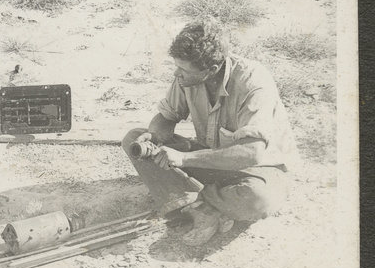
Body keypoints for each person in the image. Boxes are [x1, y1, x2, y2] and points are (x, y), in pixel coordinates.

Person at [122, 20, 297, 246]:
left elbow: (251, 153)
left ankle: (189, 200)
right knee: (133, 139)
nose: (176, 73)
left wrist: (184, 159)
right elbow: (167, 117)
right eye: (177, 67)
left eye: (183, 70)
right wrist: (154, 136)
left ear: (211, 70)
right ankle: (206, 206)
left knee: (259, 199)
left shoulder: (252, 84)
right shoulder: (187, 77)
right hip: (210, 158)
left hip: (261, 168)